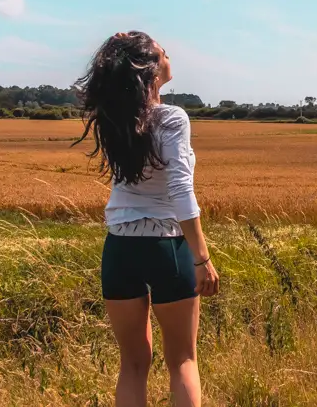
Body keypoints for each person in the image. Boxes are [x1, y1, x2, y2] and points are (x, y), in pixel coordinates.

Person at [75, 30, 219, 407]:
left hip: (119, 248)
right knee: (183, 360)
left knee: (133, 364)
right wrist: (201, 258)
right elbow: (181, 190)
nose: (170, 56)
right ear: (152, 71)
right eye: (163, 52)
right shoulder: (172, 118)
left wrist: (120, 43)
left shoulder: (116, 120)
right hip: (166, 246)